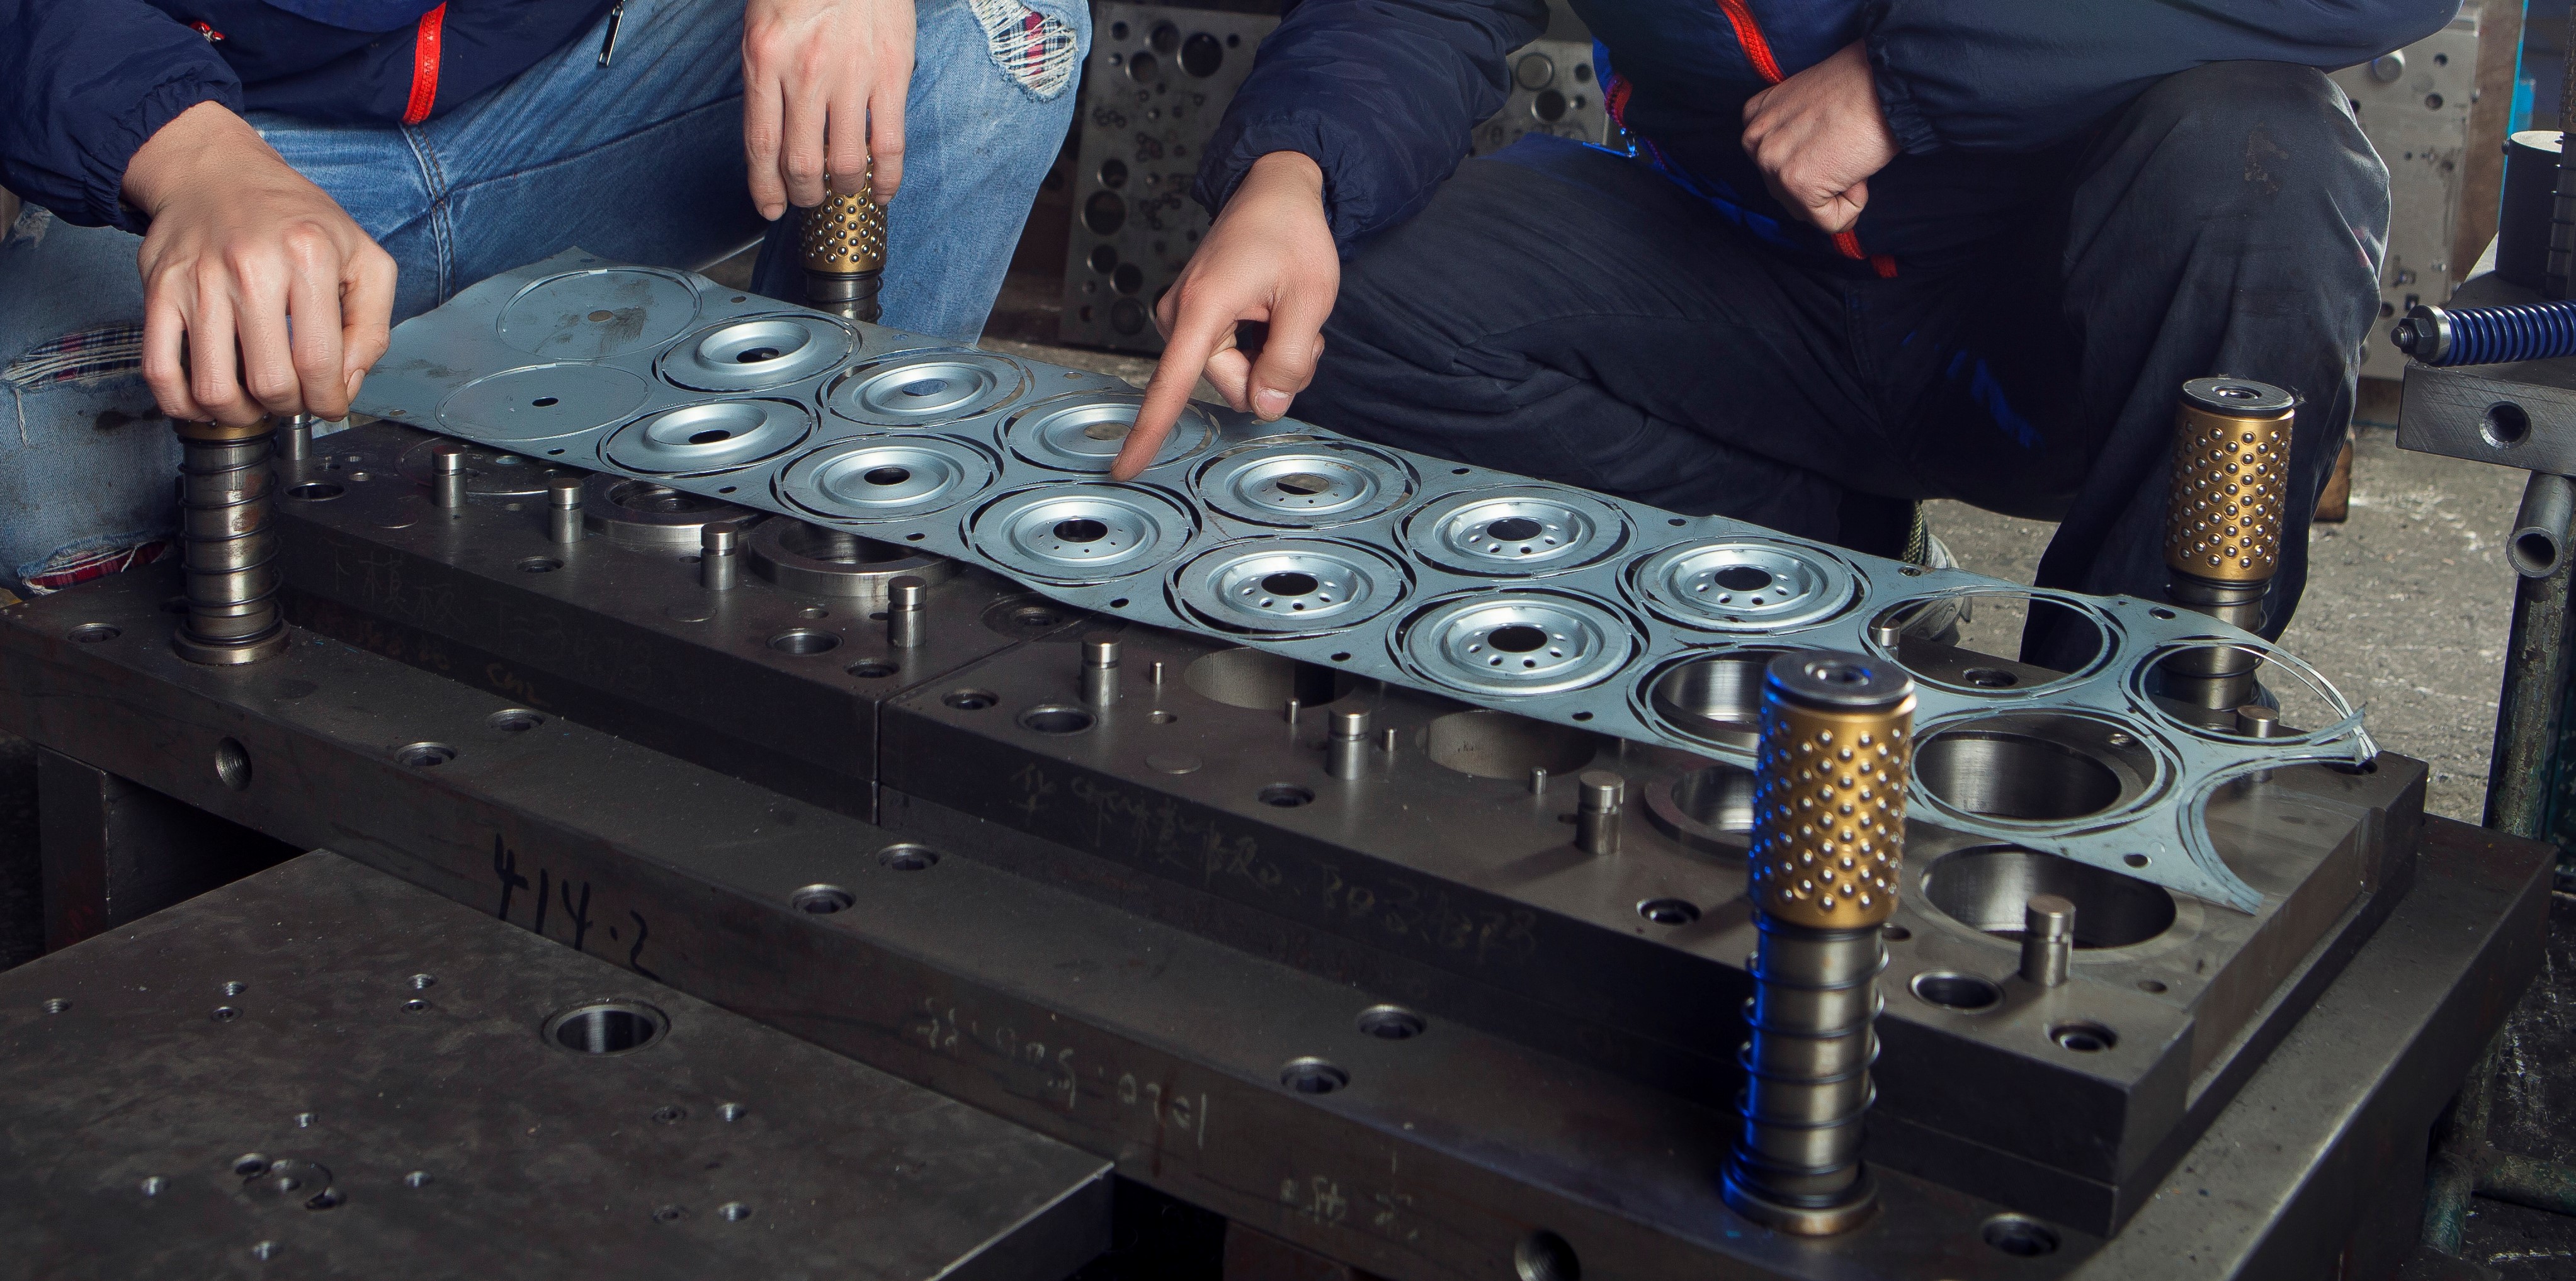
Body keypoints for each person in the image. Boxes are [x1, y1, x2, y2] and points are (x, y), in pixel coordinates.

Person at [1116, 0, 2448, 668]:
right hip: (1744, 280)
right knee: (1337, 308)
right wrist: (1294, 172)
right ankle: (1834, 549)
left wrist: (1910, 81)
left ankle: (2128, 729)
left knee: (2264, 158)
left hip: (2065, 318)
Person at [0, 0, 1083, 594]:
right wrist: (189, 160)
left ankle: (817, 541)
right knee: (45, 491)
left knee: (999, 21)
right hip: (224, 135)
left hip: (590, 79)